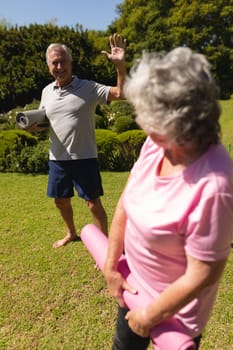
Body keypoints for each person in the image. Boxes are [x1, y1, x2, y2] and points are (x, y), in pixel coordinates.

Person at [103, 47, 233, 350]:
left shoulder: (215, 186)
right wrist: (111, 264)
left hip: (174, 318)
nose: (140, 123)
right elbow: (126, 200)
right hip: (132, 287)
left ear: (180, 126)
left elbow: (205, 271)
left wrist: (148, 317)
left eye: (148, 117)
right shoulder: (157, 143)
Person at [36, 33, 126, 248]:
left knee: (93, 204)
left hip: (84, 156)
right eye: (54, 62)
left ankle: (104, 246)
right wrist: (33, 127)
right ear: (49, 66)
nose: (59, 66)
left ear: (70, 63)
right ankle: (71, 233)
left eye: (62, 61)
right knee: (61, 200)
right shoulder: (46, 91)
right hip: (57, 158)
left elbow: (121, 93)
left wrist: (120, 67)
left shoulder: (88, 87)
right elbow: (42, 122)